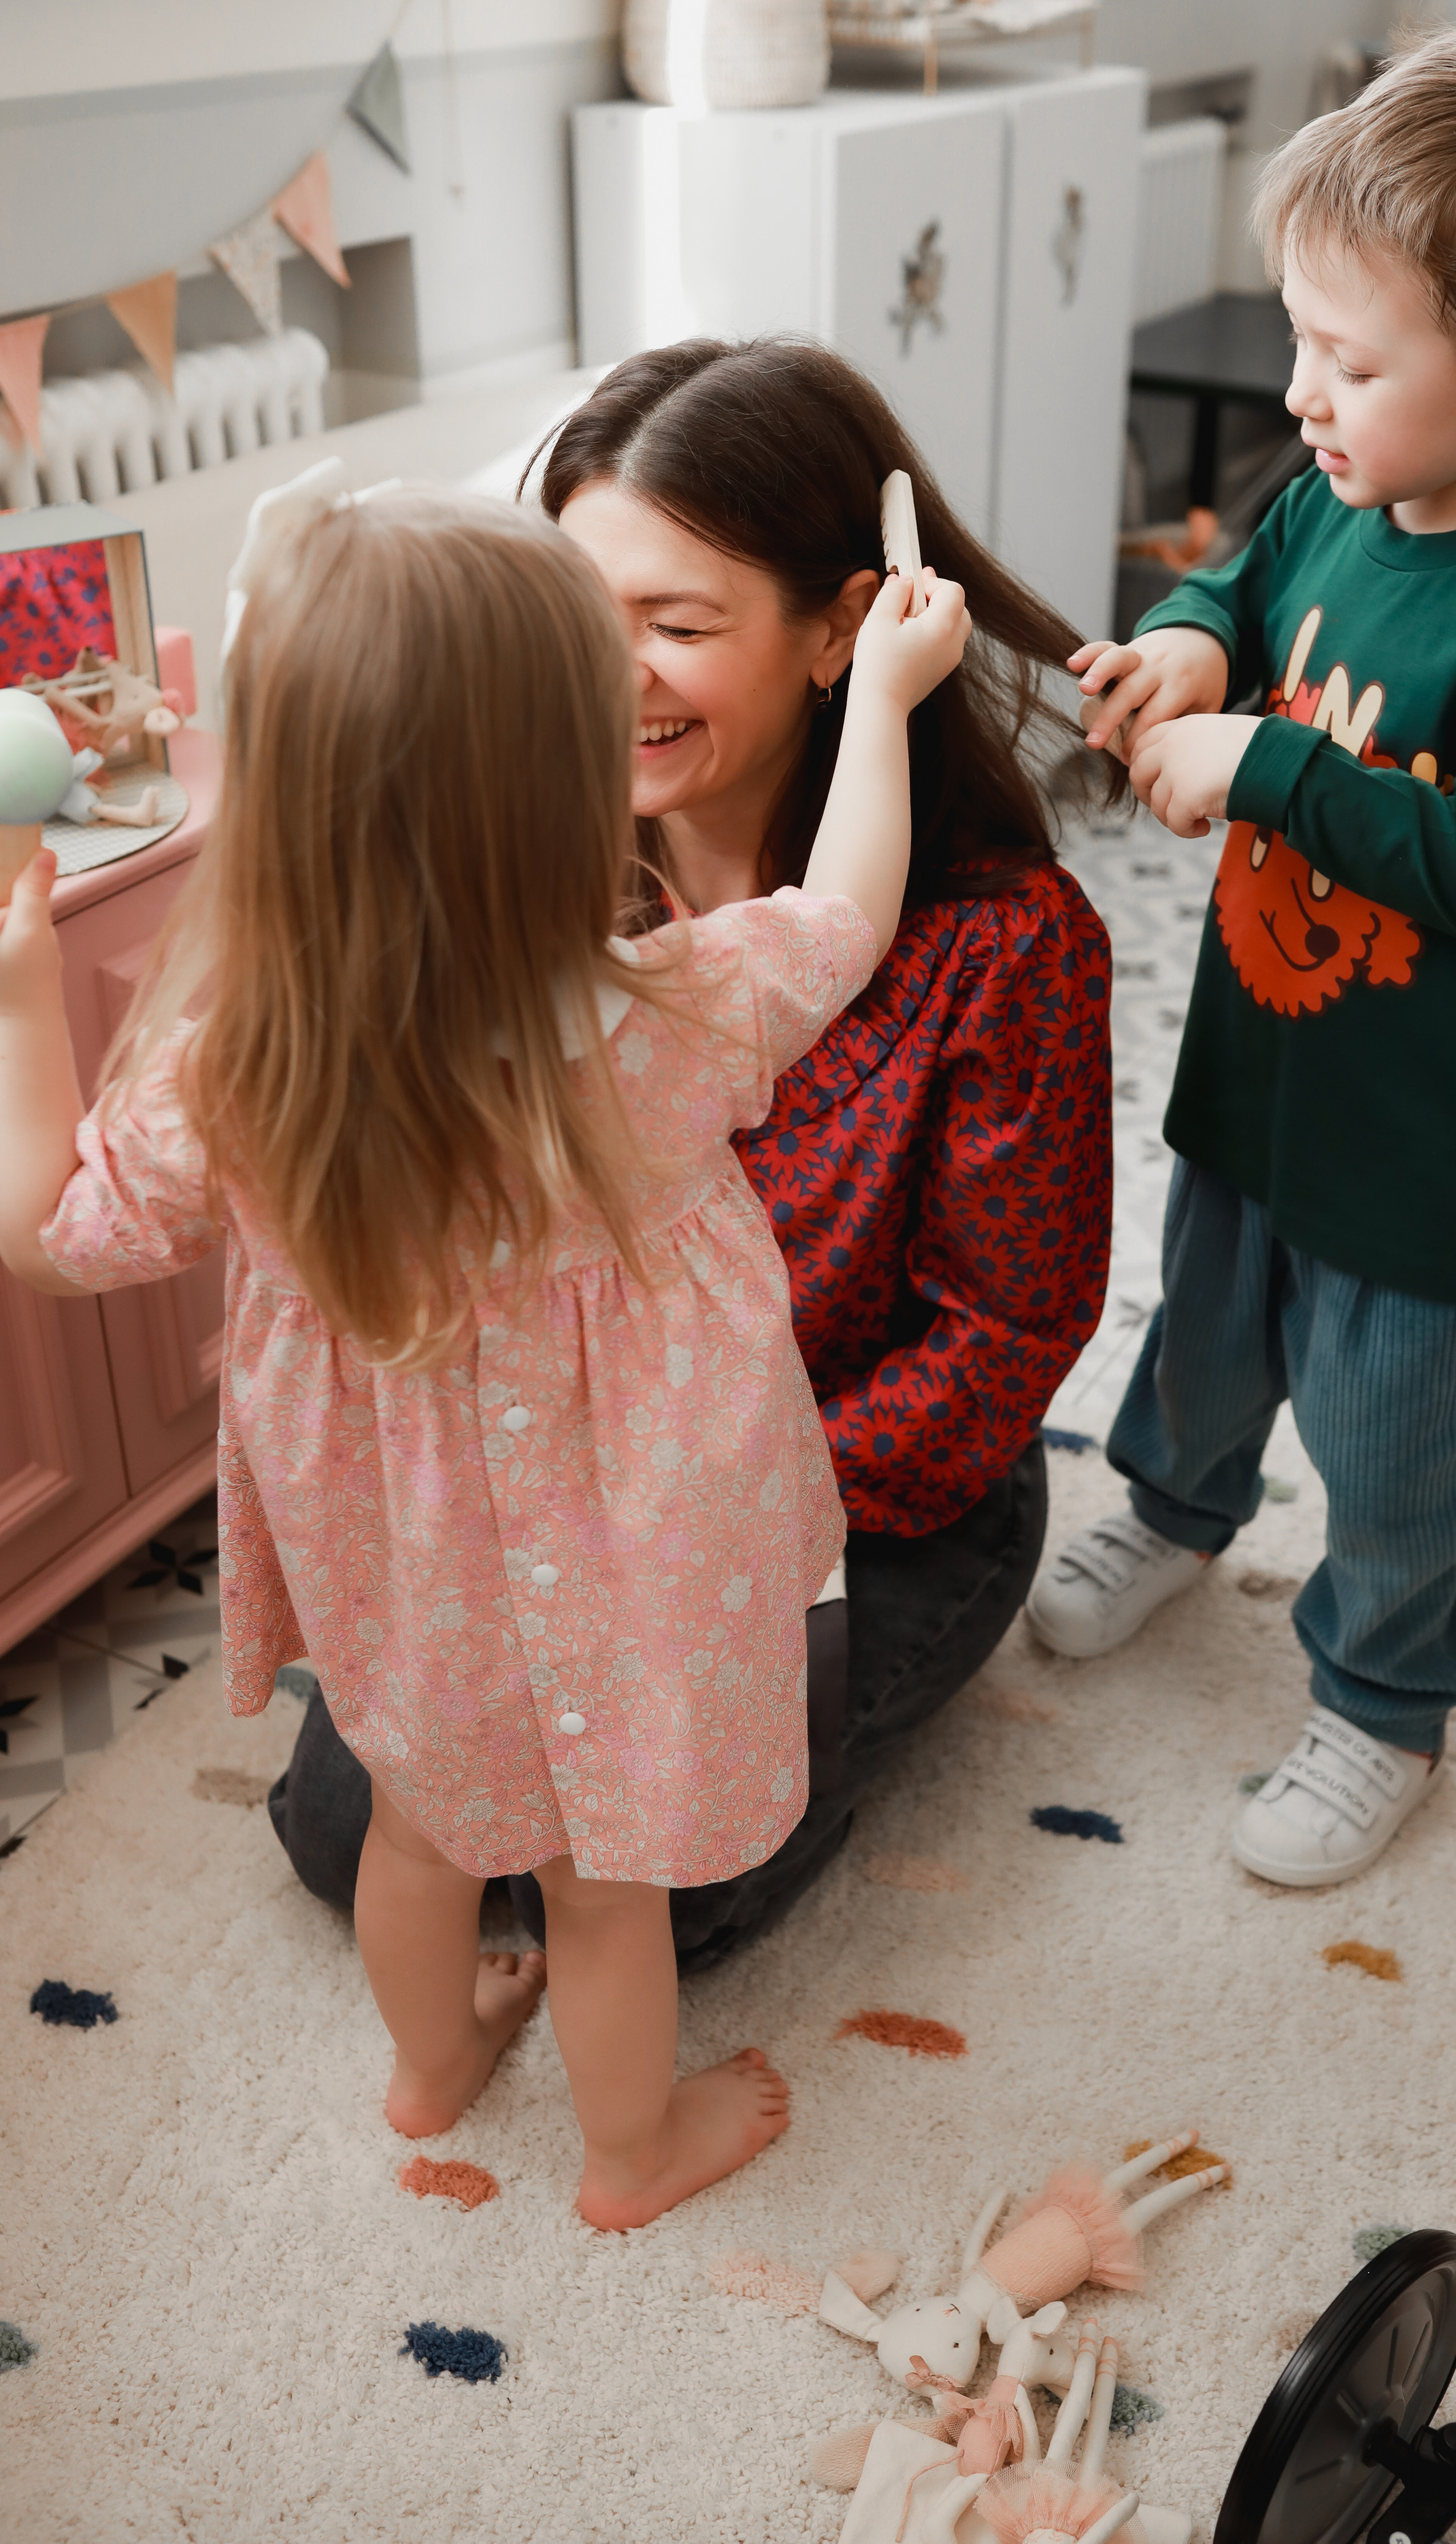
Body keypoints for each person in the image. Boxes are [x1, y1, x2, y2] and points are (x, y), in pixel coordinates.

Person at [0, 485, 970, 2227]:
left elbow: (50, 1239)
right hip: (631, 1551)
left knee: (418, 1828)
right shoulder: (664, 1013)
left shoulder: (236, 1068)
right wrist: (882, 702)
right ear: (560, 782)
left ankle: (428, 2067)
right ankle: (629, 2157)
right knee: (604, 1890)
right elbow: (850, 915)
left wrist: (15, 1010)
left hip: (407, 1576)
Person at [268, 338, 1116, 1970]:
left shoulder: (1007, 945)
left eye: (676, 626)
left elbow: (996, 1346)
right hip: (556, 1490)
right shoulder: (523, 886)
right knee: (351, 1841)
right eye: (578, 620)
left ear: (843, 633)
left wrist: (692, 1522)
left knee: (669, 1899)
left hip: (857, 1509)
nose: (616, 678)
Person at [1028, 29, 1456, 1886]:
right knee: (1203, 1341)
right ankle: (1170, 1513)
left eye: (1355, 359)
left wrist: (1273, 767)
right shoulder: (1346, 489)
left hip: (1435, 1152)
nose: (1305, 393)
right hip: (1268, 1079)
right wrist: (1195, 651)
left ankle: (1386, 1702)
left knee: (1397, 1463)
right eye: (1306, 341)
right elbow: (1241, 572)